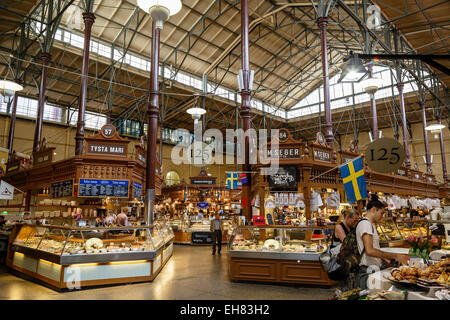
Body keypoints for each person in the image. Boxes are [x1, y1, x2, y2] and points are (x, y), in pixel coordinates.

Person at [355, 195, 410, 289]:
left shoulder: (369, 224)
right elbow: (370, 251)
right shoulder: (365, 224)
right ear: (373, 210)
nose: (382, 216)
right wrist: (396, 256)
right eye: (381, 213)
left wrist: (383, 257)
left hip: (372, 269)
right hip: (368, 271)